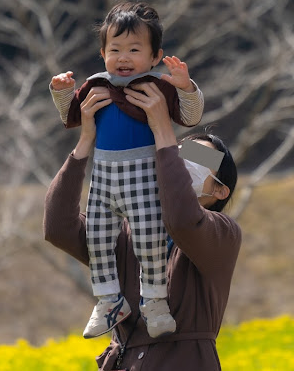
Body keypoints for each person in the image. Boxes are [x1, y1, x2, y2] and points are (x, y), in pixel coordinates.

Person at [44, 82, 241, 370]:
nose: (182, 163)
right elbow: (58, 228)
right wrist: (86, 141)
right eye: (181, 153)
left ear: (220, 191)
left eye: (200, 160)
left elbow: (183, 219)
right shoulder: (126, 230)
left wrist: (163, 130)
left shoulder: (223, 234)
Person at [49, 2, 204, 339]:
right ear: (103, 53)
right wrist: (61, 92)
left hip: (144, 178)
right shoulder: (95, 85)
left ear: (154, 55)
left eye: (134, 49)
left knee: (150, 241)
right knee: (97, 240)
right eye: (115, 49)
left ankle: (154, 301)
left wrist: (186, 87)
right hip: (103, 179)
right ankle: (108, 300)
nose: (123, 57)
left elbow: (191, 118)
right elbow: (69, 116)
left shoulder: (158, 86)